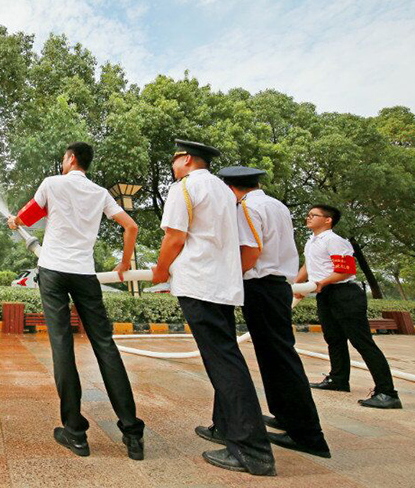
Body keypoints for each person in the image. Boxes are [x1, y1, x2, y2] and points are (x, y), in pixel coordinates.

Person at [8, 142, 146, 460]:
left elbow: (27, 217)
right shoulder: (100, 193)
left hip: (54, 272)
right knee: (105, 346)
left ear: (71, 159)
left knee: (62, 347)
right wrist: (125, 263)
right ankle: (132, 433)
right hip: (85, 275)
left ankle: (75, 433)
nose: (61, 163)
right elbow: (131, 226)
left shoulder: (51, 184)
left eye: (63, 158)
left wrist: (14, 221)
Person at [151, 140, 276, 476]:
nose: (173, 164)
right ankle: (225, 428)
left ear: (187, 159)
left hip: (199, 283)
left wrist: (160, 272)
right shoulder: (226, 192)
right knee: (227, 357)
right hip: (224, 286)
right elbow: (243, 244)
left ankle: (252, 451)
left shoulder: (186, 187)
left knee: (224, 363)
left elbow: (175, 237)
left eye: (174, 158)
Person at [217, 166, 330, 459]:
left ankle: (308, 434)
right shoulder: (276, 205)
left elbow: (251, 252)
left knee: (279, 357)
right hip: (278, 284)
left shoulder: (246, 207)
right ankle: (287, 417)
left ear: (231, 189)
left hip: (261, 285)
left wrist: (225, 276)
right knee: (275, 355)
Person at [296, 204, 402, 409]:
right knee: (333, 339)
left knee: (362, 342)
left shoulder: (335, 241)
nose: (308, 218)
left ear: (328, 220)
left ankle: (387, 392)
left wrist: (322, 283)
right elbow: (308, 266)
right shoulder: (311, 242)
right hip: (324, 295)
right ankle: (338, 379)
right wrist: (296, 286)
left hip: (344, 294)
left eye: (313, 215)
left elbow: (345, 271)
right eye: (308, 215)